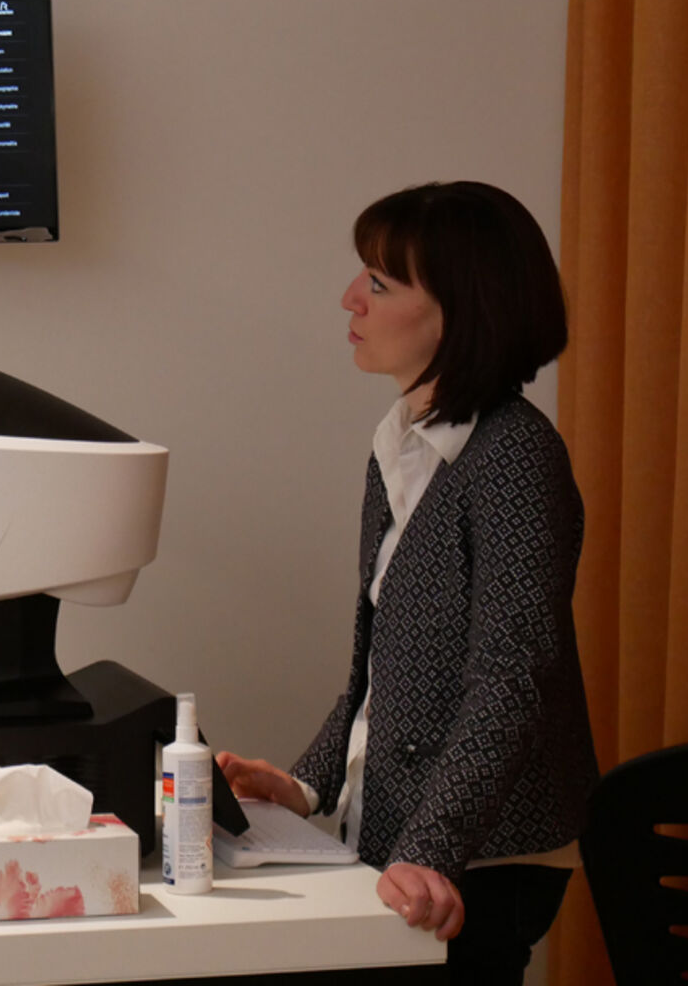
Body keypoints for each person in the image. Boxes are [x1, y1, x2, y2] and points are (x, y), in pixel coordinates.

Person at [217, 181, 599, 985]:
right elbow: (380, 667)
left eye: (379, 283)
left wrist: (432, 846)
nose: (349, 298)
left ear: (462, 310)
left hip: (482, 852)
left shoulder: (514, 456)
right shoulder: (403, 442)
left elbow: (512, 675)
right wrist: (303, 784)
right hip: (407, 837)